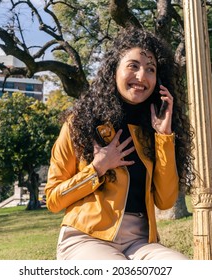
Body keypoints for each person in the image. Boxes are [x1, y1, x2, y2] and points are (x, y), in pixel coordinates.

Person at [45, 26, 195, 260]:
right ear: (114, 70)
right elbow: (53, 199)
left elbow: (165, 202)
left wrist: (164, 137)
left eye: (150, 69)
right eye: (133, 66)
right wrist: (97, 168)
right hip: (85, 238)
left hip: (140, 241)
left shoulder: (151, 132)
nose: (141, 76)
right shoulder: (80, 124)